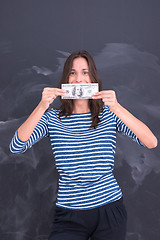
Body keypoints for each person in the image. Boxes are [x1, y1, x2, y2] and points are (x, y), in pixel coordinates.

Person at [9, 50, 157, 240]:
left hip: (109, 209)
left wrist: (117, 107)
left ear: (93, 78)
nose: (79, 79)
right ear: (65, 79)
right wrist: (41, 107)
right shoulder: (51, 119)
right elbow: (16, 146)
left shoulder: (109, 115)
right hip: (69, 214)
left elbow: (151, 142)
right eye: (72, 72)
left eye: (85, 72)